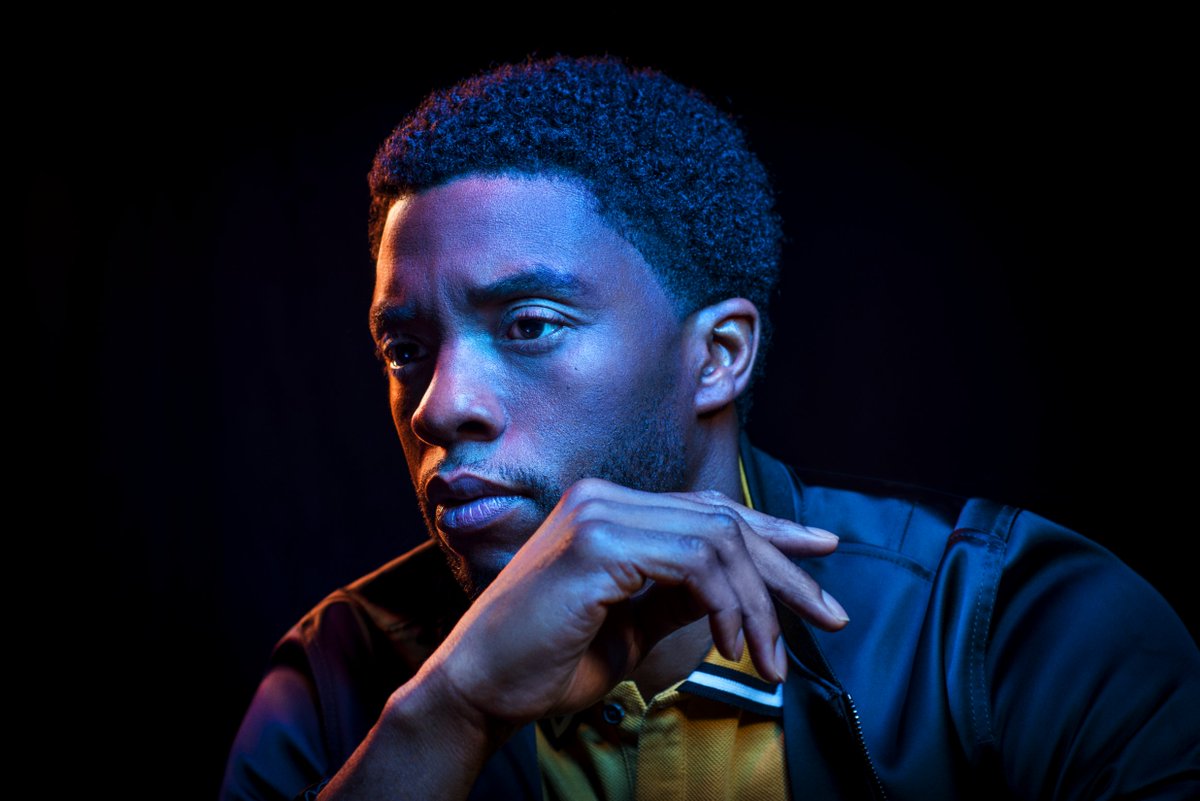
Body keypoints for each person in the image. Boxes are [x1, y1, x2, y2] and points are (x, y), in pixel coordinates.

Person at [220, 56, 1199, 801]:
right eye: (404, 348)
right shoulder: (336, 683)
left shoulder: (1018, 636)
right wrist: (452, 710)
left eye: (528, 326)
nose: (439, 405)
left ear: (719, 355)